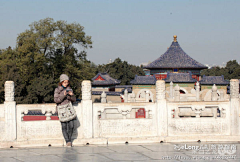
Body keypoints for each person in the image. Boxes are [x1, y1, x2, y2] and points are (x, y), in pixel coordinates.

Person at [54, 74, 76, 147]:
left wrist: (71, 95)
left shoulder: (69, 89)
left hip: (69, 109)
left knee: (71, 125)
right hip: (61, 110)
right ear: (61, 82)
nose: (66, 84)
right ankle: (68, 141)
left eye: (67, 82)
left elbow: (74, 100)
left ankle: (69, 140)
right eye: (65, 82)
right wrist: (63, 94)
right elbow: (56, 100)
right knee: (64, 126)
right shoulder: (57, 90)